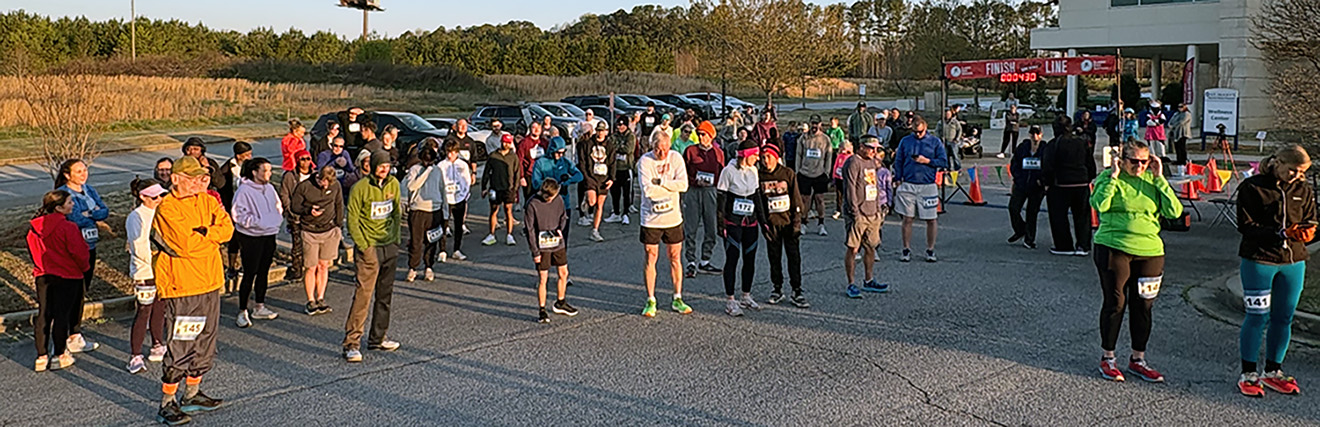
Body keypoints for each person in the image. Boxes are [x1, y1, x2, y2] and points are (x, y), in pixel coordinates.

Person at [1090, 140, 1181, 383]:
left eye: (1145, 161)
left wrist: (1160, 178)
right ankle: (1108, 357)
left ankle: (1138, 359)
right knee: (1116, 302)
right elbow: (1099, 205)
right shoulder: (1110, 178)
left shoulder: (1152, 180)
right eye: (1134, 161)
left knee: (1143, 306)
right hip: (1114, 246)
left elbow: (1174, 211)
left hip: (1150, 250)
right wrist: (1112, 178)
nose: (1139, 166)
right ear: (1122, 161)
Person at [153, 155, 234, 424]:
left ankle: (193, 393)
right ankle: (167, 401)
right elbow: (186, 247)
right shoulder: (168, 208)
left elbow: (228, 230)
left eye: (202, 177)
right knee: (182, 343)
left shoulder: (209, 200)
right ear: (175, 179)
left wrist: (205, 233)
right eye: (193, 178)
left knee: (205, 340)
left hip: (210, 281)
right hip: (183, 285)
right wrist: (211, 237)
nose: (199, 182)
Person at [1234, 145, 1315, 397]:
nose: (1296, 176)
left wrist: (1309, 232)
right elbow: (1245, 226)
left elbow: (1312, 219)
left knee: (1284, 317)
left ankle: (1273, 371)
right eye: (1292, 170)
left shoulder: (1303, 189)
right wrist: (1280, 233)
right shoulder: (1252, 187)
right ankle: (1249, 373)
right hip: (1260, 260)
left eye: (1301, 172)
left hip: (1294, 262)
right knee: (1257, 316)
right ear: (1277, 162)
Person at [343, 150, 403, 363]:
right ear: (373, 166)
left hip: (389, 245)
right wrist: (364, 245)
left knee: (385, 295)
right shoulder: (360, 188)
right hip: (369, 246)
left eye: (387, 166)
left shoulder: (393, 184)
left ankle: (378, 337)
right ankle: (351, 343)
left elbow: (397, 212)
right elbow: (352, 219)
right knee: (363, 296)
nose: (384, 170)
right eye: (381, 166)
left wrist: (395, 239)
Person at [28, 190, 90, 372]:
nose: (73, 205)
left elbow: (33, 250)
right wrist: (84, 268)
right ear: (59, 207)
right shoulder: (68, 228)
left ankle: (41, 355)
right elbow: (79, 252)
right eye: (70, 202)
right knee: (61, 315)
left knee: (44, 313)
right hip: (68, 275)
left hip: (43, 274)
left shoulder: (34, 228)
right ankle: (60, 354)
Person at [637, 130, 693, 317]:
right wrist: (669, 186)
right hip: (651, 219)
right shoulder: (645, 161)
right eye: (658, 150)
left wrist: (661, 181)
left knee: (675, 256)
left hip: (673, 218)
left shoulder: (676, 158)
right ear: (652, 147)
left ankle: (677, 297)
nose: (662, 154)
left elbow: (683, 185)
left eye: (665, 149)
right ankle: (651, 298)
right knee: (651, 256)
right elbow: (648, 191)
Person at [53, 159, 105, 354]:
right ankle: (69, 333)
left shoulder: (89, 190)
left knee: (83, 290)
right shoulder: (63, 194)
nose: (83, 174)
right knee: (73, 292)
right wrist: (92, 214)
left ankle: (75, 333)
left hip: (90, 246)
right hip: (72, 249)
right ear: (68, 175)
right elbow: (75, 219)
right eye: (78, 171)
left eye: (85, 170)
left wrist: (89, 213)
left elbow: (104, 211)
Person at [231, 157, 283, 328]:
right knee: (249, 273)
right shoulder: (244, 190)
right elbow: (238, 214)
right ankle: (242, 311)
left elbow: (277, 206)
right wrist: (258, 222)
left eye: (269, 170)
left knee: (263, 272)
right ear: (254, 172)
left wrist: (275, 219)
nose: (269, 173)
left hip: (269, 234)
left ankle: (259, 306)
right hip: (251, 237)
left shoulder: (269, 188)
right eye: (265, 170)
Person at [755, 143, 808, 308]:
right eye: (763, 158)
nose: (766, 161)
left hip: (788, 222)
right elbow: (759, 203)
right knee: (774, 258)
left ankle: (797, 290)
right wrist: (763, 224)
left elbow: (796, 199)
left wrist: (797, 222)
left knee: (794, 258)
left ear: (776, 157)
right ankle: (777, 288)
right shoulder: (759, 176)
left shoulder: (787, 173)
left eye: (769, 157)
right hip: (772, 224)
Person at [125, 179, 168, 374]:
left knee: (160, 307)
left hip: (162, 268)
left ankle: (158, 344)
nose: (159, 199)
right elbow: (139, 245)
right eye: (154, 197)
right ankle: (135, 355)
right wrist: (155, 256)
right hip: (145, 271)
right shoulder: (137, 216)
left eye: (161, 195)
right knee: (144, 311)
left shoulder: (161, 212)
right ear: (142, 197)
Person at [892, 116, 948, 263]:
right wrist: (898, 177)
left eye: (920, 132)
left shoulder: (935, 142)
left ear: (925, 128)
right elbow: (898, 160)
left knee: (931, 219)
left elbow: (943, 161)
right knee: (907, 218)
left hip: (928, 184)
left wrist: (927, 161)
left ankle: (930, 249)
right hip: (909, 183)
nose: (918, 135)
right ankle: (906, 249)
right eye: (915, 132)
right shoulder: (906, 141)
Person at [717, 139, 763, 316]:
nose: (757, 158)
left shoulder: (753, 171)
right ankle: (730, 300)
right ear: (745, 155)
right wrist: (720, 224)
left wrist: (763, 220)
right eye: (755, 155)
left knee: (750, 258)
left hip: (750, 221)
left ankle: (746, 295)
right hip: (733, 222)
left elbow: (757, 197)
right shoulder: (728, 171)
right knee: (732, 259)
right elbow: (721, 200)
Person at [290, 166, 344, 315]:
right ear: (318, 177)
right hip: (309, 230)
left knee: (323, 265)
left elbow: (339, 204)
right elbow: (294, 206)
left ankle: (320, 298)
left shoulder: (335, 185)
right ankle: (310, 300)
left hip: (329, 229)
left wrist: (339, 225)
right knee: (311, 266)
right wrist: (308, 210)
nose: (326, 185)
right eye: (324, 182)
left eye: (329, 183)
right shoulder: (304, 186)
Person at [842, 135, 890, 298]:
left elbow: (874, 185)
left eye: (876, 149)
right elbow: (850, 189)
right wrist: (855, 212)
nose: (874, 152)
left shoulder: (871, 162)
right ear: (861, 146)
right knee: (853, 248)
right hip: (858, 213)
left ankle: (869, 280)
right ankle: (851, 283)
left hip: (872, 212)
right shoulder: (853, 162)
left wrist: (878, 208)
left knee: (871, 247)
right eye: (871, 148)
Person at [1042, 116, 1097, 256]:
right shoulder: (1081, 142)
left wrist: (1046, 183)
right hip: (1082, 182)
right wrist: (1090, 177)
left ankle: (1064, 245)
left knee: (1058, 216)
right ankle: (1083, 245)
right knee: (1082, 216)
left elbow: (1047, 166)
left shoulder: (1053, 144)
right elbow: (1089, 162)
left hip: (1061, 184)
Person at [525, 179, 577, 323]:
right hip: (542, 246)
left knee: (564, 273)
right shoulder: (532, 204)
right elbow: (529, 230)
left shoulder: (558, 199)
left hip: (557, 243)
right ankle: (542, 310)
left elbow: (563, 216)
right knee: (543, 278)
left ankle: (561, 302)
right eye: (547, 197)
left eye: (551, 197)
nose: (549, 200)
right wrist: (535, 252)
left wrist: (560, 228)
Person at [682, 121, 725, 278]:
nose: (701, 138)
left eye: (704, 134)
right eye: (699, 134)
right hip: (693, 190)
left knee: (711, 227)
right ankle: (691, 262)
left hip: (710, 191)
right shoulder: (690, 151)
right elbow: (683, 172)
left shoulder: (718, 153)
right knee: (691, 227)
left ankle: (705, 260)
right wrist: (693, 181)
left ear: (711, 136)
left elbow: (721, 172)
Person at [402, 147, 448, 281]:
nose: (428, 163)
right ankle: (413, 268)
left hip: (434, 209)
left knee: (431, 241)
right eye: (426, 161)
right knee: (416, 242)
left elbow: (442, 190)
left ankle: (429, 267)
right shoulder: (414, 170)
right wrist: (426, 172)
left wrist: (445, 212)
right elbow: (411, 186)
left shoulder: (438, 170)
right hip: (417, 209)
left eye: (431, 161)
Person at [1007, 126, 1047, 249]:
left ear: (1041, 135)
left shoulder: (1045, 148)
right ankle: (1020, 229)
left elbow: (1049, 166)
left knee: (1032, 212)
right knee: (1013, 208)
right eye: (1033, 134)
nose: (1035, 137)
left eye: (1037, 134)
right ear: (1029, 134)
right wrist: (1018, 178)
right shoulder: (1022, 147)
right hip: (1021, 184)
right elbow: (1015, 164)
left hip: (1037, 186)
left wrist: (1042, 181)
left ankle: (1029, 239)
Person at [279, 150, 315, 282]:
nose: (305, 162)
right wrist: (290, 210)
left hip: (311, 215)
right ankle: (297, 270)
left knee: (311, 244)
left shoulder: (314, 176)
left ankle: (310, 267)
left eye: (307, 159)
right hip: (296, 216)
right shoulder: (290, 176)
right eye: (302, 159)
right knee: (297, 245)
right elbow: (284, 194)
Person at [578, 121, 616, 242]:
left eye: (602, 131)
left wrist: (612, 178)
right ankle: (586, 200)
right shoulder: (588, 144)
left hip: (603, 178)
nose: (600, 133)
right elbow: (583, 162)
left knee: (600, 206)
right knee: (592, 201)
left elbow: (612, 162)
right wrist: (586, 176)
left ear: (606, 132)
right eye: (598, 130)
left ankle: (595, 230)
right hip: (591, 177)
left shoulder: (610, 145)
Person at [481, 134, 521, 246]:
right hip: (495, 187)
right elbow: (486, 172)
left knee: (508, 210)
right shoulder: (493, 156)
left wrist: (515, 188)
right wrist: (484, 187)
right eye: (504, 142)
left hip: (509, 189)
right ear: (501, 142)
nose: (506, 144)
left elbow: (517, 173)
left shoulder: (513, 157)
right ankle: (491, 234)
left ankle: (509, 234)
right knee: (493, 211)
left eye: (508, 142)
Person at [796, 115, 833, 236]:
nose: (814, 126)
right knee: (805, 199)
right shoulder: (803, 138)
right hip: (805, 173)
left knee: (819, 199)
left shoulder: (825, 139)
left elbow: (829, 156)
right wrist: (798, 170)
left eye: (816, 123)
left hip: (820, 173)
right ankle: (803, 223)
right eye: (812, 123)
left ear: (820, 124)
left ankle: (821, 224)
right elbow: (799, 155)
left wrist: (827, 172)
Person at [438, 143, 473, 261]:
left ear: (457, 152)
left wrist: (464, 195)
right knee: (443, 225)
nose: (450, 154)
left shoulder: (462, 164)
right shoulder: (441, 165)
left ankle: (456, 250)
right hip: (446, 200)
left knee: (458, 225)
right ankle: (442, 250)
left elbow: (467, 180)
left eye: (453, 152)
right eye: (448, 152)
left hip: (459, 199)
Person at [606, 117, 636, 225]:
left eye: (622, 125)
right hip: (615, 168)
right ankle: (616, 212)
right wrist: (618, 147)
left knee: (626, 193)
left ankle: (626, 214)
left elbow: (628, 149)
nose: (620, 127)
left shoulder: (630, 136)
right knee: (615, 192)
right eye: (618, 125)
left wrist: (617, 147)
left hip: (626, 167)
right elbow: (609, 146)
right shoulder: (614, 136)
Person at [517, 122, 549, 203]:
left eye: (539, 127)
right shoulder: (524, 143)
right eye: (534, 127)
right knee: (529, 199)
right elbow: (519, 160)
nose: (537, 129)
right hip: (529, 175)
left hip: (543, 174)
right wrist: (521, 177)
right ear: (530, 129)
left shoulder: (544, 142)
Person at [219, 141, 253, 211]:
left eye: (250, 154)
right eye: (247, 155)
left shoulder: (251, 165)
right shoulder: (226, 169)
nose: (250, 157)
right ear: (238, 156)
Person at [831, 141, 854, 220]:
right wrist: (834, 176)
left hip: (846, 177)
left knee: (847, 194)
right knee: (839, 195)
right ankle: (838, 210)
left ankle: (847, 209)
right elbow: (835, 166)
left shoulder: (851, 156)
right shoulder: (839, 156)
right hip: (838, 177)